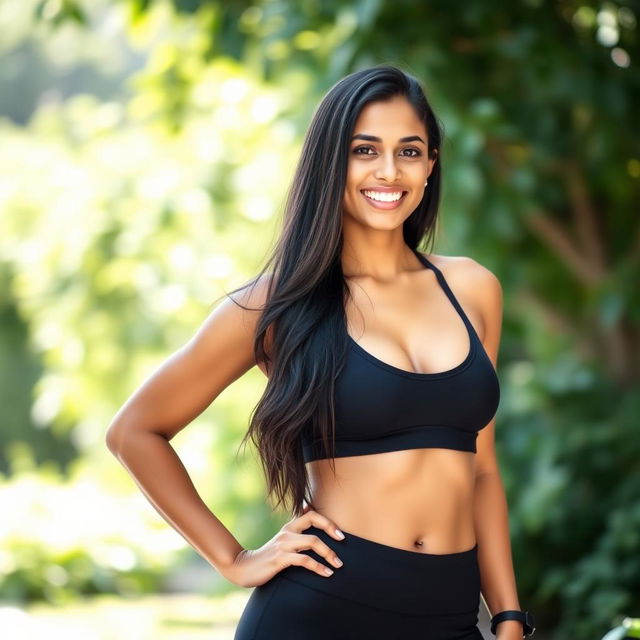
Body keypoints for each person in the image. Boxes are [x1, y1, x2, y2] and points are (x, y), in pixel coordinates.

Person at [105, 65, 535, 639]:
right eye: (365, 150)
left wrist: (507, 614)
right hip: (322, 610)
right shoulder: (274, 305)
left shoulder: (473, 289)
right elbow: (135, 431)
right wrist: (233, 560)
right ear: (332, 162)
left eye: (409, 151)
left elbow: (481, 469)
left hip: (450, 618)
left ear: (431, 164)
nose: (388, 171)